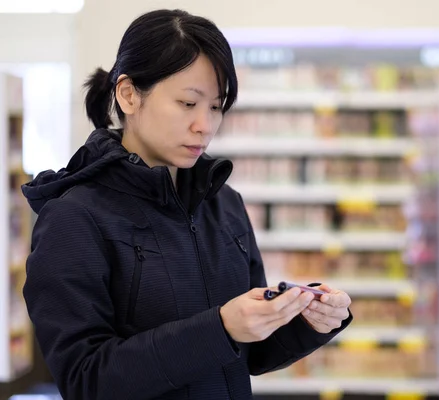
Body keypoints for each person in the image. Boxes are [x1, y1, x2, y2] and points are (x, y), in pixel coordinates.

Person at [21, 9, 353, 400]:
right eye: (187, 103)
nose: (205, 126)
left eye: (216, 106)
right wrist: (220, 328)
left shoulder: (225, 205)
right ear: (129, 94)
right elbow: (86, 379)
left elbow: (250, 354)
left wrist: (308, 321)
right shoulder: (74, 218)